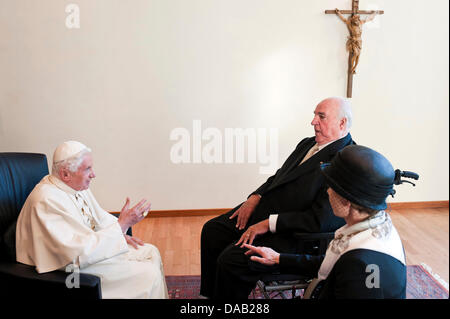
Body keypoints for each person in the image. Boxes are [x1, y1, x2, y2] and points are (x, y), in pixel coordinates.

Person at [200, 97, 355, 299]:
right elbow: (279, 176)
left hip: (293, 234)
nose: (313, 121)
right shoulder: (307, 143)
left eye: (321, 116)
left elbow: (321, 220)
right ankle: (209, 297)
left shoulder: (346, 160)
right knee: (213, 231)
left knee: (231, 260)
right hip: (266, 208)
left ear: (342, 123)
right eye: (314, 115)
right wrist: (256, 196)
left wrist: (268, 223)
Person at [245, 145, 415, 298]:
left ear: (347, 200)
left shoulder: (363, 266)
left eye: (330, 186)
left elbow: (348, 268)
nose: (327, 191)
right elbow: (333, 263)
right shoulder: (374, 227)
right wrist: (278, 258)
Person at [16, 141, 168, 299]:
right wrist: (121, 225)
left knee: (152, 252)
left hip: (90, 253)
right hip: (70, 271)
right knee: (148, 276)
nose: (93, 174)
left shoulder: (74, 186)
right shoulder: (46, 200)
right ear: (65, 174)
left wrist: (121, 233)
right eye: (88, 169)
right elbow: (72, 255)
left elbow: (99, 218)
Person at [335, 9, 377, 74]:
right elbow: (344, 20)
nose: (356, 20)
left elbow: (370, 19)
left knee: (358, 56)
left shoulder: (360, 23)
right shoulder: (350, 24)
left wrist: (374, 13)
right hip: (354, 42)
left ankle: (355, 67)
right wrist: (339, 13)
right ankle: (352, 68)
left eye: (357, 19)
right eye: (355, 19)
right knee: (355, 53)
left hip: (359, 42)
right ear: (352, 19)